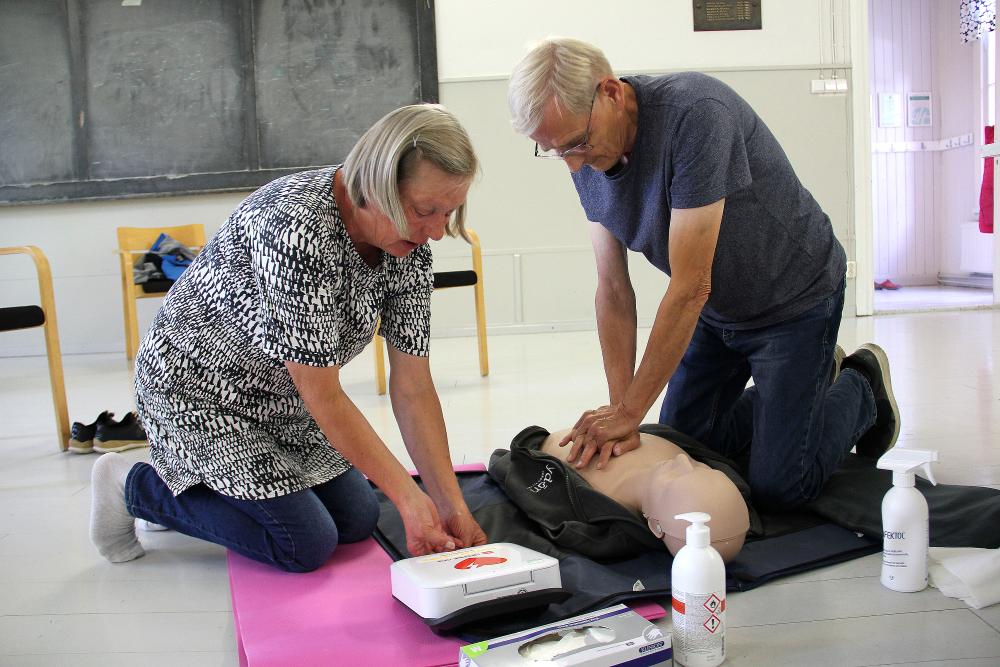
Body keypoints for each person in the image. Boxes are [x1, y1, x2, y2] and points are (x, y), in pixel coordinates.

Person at [90, 104, 488, 571]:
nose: (437, 232)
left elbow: (413, 384)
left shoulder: (408, 245)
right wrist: (408, 499)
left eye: (449, 212)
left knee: (359, 518)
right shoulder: (295, 226)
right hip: (197, 395)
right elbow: (323, 393)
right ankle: (135, 485)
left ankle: (194, 488)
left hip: (281, 401)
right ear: (377, 184)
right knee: (305, 543)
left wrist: (448, 505)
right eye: (426, 210)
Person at [507, 38, 900, 510]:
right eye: (552, 151)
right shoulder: (585, 146)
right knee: (685, 443)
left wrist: (632, 411)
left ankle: (859, 382)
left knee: (780, 488)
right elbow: (613, 288)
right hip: (717, 312)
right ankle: (806, 388)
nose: (572, 163)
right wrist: (619, 408)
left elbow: (691, 285)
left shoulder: (696, 115)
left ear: (610, 92)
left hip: (793, 301)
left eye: (576, 143)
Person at [540, 427, 750, 562]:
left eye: (675, 477)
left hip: (559, 443)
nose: (683, 461)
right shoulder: (670, 465)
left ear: (655, 526)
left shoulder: (604, 498)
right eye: (700, 466)